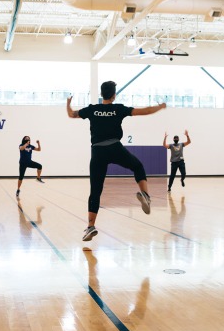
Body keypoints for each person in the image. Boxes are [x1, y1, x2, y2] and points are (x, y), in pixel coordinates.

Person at [67, 80, 166, 241]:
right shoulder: (118, 108)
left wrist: (68, 104)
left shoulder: (93, 109)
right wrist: (160, 107)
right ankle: (146, 194)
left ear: (101, 94)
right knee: (138, 166)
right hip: (115, 147)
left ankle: (91, 226)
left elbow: (71, 114)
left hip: (98, 151)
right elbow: (145, 111)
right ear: (113, 95)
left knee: (95, 191)